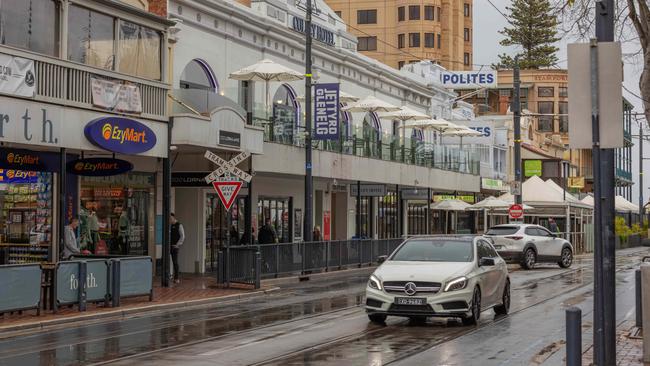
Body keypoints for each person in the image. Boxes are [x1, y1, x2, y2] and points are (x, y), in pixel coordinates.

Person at [170, 213, 185, 284]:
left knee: (175, 262)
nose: (170, 220)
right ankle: (168, 275)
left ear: (173, 218)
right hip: (168, 246)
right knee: (165, 260)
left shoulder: (179, 225)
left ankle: (176, 278)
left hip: (174, 247)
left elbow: (182, 236)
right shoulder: (169, 225)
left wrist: (177, 244)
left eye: (170, 219)